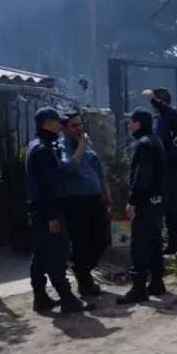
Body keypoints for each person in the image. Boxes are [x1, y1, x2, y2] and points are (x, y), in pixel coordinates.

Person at [25, 106, 95, 313]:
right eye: (57, 121)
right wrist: (53, 216)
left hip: (39, 212)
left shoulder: (37, 145)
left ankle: (41, 297)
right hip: (48, 212)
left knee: (40, 256)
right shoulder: (43, 150)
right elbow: (47, 187)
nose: (60, 125)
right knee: (57, 255)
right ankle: (67, 298)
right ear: (48, 123)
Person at [116, 108, 169, 305]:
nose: (129, 125)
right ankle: (156, 283)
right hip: (158, 201)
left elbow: (142, 174)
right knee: (154, 242)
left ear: (137, 124)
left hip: (147, 202)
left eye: (131, 122)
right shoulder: (155, 141)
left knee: (139, 245)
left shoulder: (144, 143)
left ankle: (139, 289)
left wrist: (133, 201)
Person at [59, 111, 113, 297]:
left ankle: (82, 270)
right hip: (76, 203)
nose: (79, 129)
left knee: (102, 239)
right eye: (74, 126)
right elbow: (68, 168)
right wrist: (80, 147)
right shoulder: (62, 147)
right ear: (64, 128)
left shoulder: (89, 147)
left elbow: (100, 172)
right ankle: (84, 282)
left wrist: (107, 193)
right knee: (80, 243)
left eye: (80, 125)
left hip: (95, 201)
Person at [145, 88, 177, 259]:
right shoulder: (158, 121)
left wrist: (154, 100)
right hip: (165, 169)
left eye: (156, 102)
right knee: (169, 208)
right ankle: (173, 243)